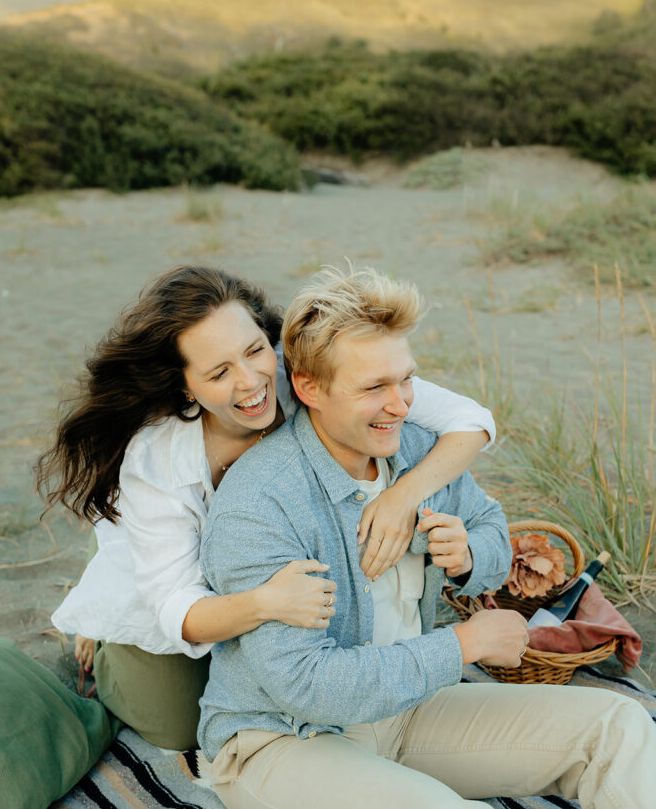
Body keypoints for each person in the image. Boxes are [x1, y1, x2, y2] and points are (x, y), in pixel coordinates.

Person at [197, 265, 656, 809]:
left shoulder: (412, 453)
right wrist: (462, 646)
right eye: (375, 387)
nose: (402, 402)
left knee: (614, 727)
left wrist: (470, 557)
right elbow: (307, 686)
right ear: (309, 388)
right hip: (283, 741)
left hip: (406, 709)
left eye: (407, 379)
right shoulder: (260, 506)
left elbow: (493, 527)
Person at [39, 264, 495, 751]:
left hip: (262, 552)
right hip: (174, 577)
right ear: (186, 386)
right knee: (175, 726)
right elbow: (177, 607)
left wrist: (403, 496)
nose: (251, 380)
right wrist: (262, 604)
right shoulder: (155, 462)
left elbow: (471, 422)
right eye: (219, 372)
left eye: (255, 350)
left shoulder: (305, 374)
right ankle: (101, 627)